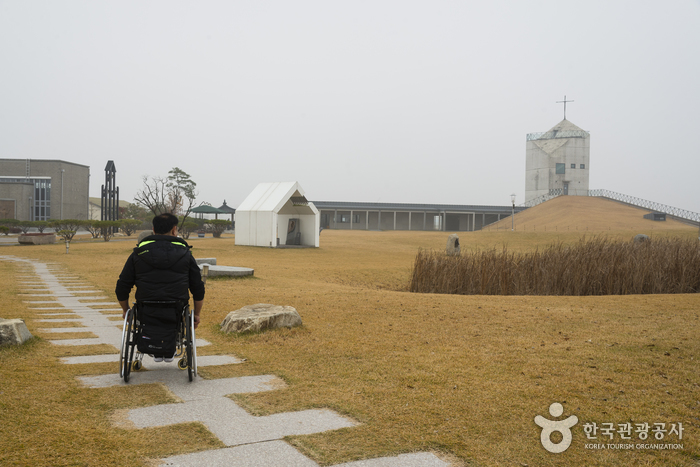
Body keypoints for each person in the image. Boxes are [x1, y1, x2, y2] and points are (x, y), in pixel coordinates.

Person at [115, 213, 205, 362]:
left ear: (153, 230)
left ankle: (153, 347)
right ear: (174, 230)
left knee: (147, 314)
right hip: (176, 306)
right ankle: (170, 345)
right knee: (176, 311)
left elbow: (122, 286)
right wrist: (197, 315)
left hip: (146, 306)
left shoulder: (138, 253)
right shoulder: (185, 254)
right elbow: (198, 288)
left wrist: (126, 310)